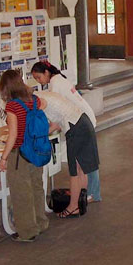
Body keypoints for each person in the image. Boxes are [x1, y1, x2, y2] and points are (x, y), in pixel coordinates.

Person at [31, 61, 102, 203]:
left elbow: (57, 114)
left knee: (84, 162)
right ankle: (87, 194)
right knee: (84, 161)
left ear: (46, 72)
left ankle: (91, 194)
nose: (39, 81)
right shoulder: (58, 79)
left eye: (39, 77)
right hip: (82, 119)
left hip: (79, 121)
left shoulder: (55, 84)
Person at [0, 69, 49, 243]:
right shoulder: (34, 100)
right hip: (36, 150)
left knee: (21, 192)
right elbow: (45, 104)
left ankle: (27, 231)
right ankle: (41, 222)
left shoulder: (12, 106)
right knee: (36, 187)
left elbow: (13, 135)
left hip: (20, 154)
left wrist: (4, 158)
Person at [36, 90, 100, 218]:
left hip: (75, 127)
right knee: (81, 168)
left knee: (74, 171)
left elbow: (39, 115)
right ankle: (81, 203)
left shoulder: (38, 101)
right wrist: (39, 134)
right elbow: (55, 125)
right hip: (83, 122)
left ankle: (73, 207)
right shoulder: (45, 94)